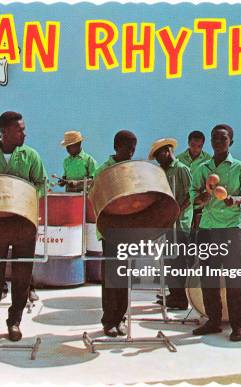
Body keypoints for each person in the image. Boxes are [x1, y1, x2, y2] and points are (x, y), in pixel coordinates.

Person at [0, 111, 47, 341]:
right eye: (19, 130)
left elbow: (42, 184)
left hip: (23, 222)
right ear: (4, 132)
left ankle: (14, 322)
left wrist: (24, 198)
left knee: (23, 274)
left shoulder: (31, 155)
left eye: (23, 128)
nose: (24, 133)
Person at [191, 124, 241, 342]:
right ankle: (213, 321)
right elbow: (193, 196)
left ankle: (238, 325)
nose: (218, 143)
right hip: (208, 227)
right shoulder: (202, 168)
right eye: (215, 139)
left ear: (231, 142)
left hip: (230, 228)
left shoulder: (240, 168)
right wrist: (203, 196)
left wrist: (235, 199)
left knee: (234, 278)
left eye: (223, 139)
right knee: (208, 276)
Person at [93, 130, 137, 337]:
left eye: (134, 148)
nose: (132, 152)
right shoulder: (103, 170)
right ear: (117, 147)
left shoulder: (131, 168)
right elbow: (96, 198)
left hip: (127, 230)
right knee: (111, 278)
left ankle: (121, 318)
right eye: (128, 148)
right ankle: (108, 320)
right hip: (110, 230)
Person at [148, 138, 192, 310]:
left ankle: (182, 298)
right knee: (168, 260)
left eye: (160, 155)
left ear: (168, 151)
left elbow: (191, 195)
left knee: (179, 261)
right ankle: (174, 294)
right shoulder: (160, 172)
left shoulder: (182, 169)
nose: (159, 159)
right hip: (167, 222)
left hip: (180, 223)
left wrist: (177, 210)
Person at [177, 130, 212, 230]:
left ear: (203, 145)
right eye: (193, 145)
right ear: (188, 143)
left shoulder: (209, 161)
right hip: (183, 204)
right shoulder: (178, 160)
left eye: (199, 146)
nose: (195, 149)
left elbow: (211, 182)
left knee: (200, 236)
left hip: (201, 204)